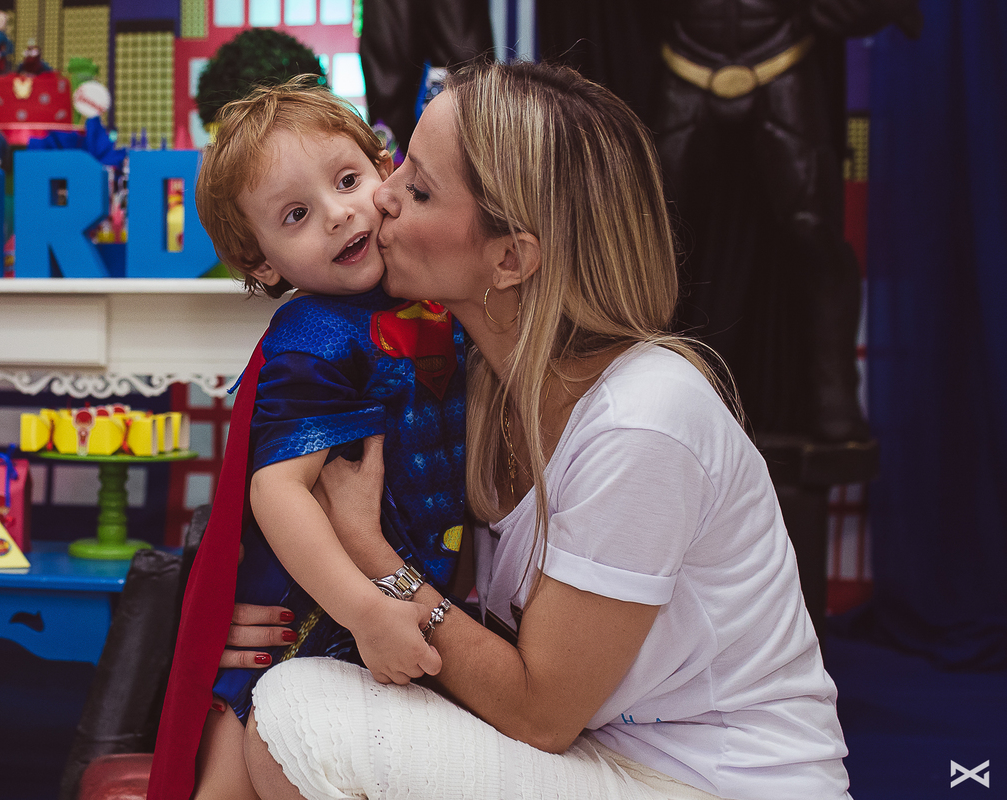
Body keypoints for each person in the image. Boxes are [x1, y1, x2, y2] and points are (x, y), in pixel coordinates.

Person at [234, 61, 852, 800]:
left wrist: (371, 558)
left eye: (419, 188)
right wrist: (275, 617)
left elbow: (540, 713)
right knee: (289, 699)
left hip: (707, 780)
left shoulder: (643, 423)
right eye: (397, 164)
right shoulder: (481, 380)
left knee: (297, 721)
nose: (382, 197)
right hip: (594, 750)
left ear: (510, 259)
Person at [147, 78, 468, 800]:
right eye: (295, 214)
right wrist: (365, 612)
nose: (337, 214)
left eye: (348, 180)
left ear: (386, 170)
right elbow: (277, 489)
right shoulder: (312, 336)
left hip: (400, 596)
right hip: (310, 613)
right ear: (262, 262)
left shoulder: (432, 299)